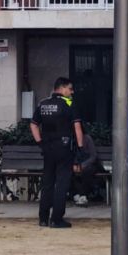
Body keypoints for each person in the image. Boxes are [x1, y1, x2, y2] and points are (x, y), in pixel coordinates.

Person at [30, 77, 85, 228]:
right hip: (64, 148)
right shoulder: (69, 104)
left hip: (48, 149)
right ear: (61, 88)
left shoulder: (43, 104)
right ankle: (56, 219)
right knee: (61, 183)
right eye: (70, 88)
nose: (72, 92)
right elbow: (77, 128)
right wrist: (80, 149)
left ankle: (43, 218)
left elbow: (33, 125)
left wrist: (40, 142)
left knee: (47, 183)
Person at [71, 133, 103, 206]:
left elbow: (93, 156)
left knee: (87, 172)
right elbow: (73, 155)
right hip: (78, 165)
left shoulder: (87, 138)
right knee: (68, 172)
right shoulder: (72, 140)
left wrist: (82, 166)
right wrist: (74, 164)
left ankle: (83, 195)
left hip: (91, 165)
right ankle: (77, 194)